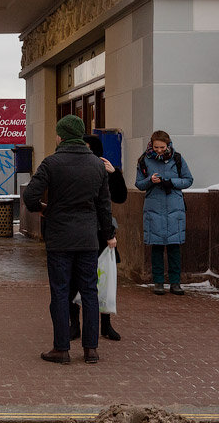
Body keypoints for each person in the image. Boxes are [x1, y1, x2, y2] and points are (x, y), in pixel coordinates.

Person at [22, 115, 115, 365]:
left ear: (62, 135)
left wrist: (44, 209)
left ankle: (61, 349)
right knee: (90, 293)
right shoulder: (97, 165)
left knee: (61, 293)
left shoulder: (51, 163)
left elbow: (29, 195)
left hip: (60, 239)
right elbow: (104, 207)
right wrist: (109, 235)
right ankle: (91, 350)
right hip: (88, 238)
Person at [70, 134, 128, 342]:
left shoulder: (103, 169)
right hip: (79, 230)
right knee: (74, 279)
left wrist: (114, 174)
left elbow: (119, 197)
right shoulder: (74, 167)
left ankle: (105, 325)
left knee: (103, 279)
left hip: (101, 231)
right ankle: (74, 324)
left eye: (88, 148)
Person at [135, 130, 194, 295]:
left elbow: (188, 180)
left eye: (162, 147)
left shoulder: (177, 158)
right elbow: (139, 184)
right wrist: (150, 180)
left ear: (168, 145)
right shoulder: (144, 160)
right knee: (157, 247)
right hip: (154, 207)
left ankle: (175, 283)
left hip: (174, 207)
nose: (159, 150)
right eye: (156, 147)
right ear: (151, 145)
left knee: (175, 247)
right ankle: (158, 282)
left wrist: (170, 182)